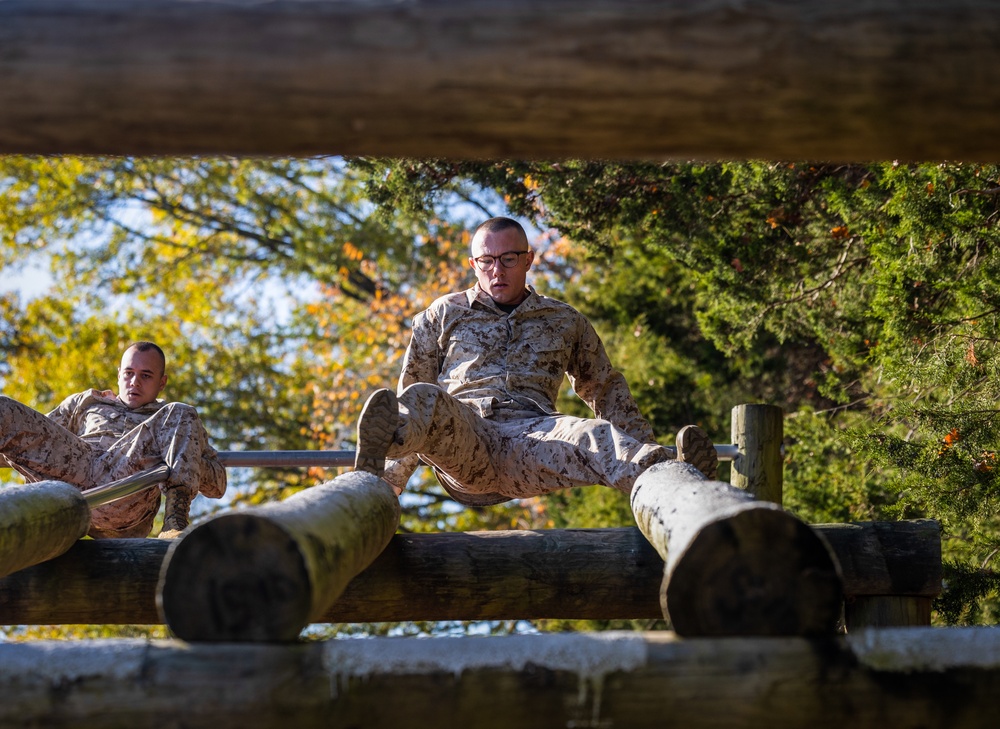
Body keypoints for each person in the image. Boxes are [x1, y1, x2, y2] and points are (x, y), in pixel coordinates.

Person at [354, 216, 717, 505]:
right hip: (466, 440)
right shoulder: (443, 313)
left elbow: (606, 391)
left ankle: (674, 474)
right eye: (487, 261)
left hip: (532, 441)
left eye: (508, 259)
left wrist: (645, 443)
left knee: (592, 435)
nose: (497, 270)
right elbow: (413, 397)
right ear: (473, 264)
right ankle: (376, 466)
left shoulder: (564, 320)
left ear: (528, 259)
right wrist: (387, 485)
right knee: (424, 398)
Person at [0, 341, 227, 539]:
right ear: (119, 374)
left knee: (180, 410)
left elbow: (217, 483)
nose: (135, 382)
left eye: (146, 376)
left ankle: (175, 519)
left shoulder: (172, 420)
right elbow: (30, 437)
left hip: (126, 488)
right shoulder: (86, 402)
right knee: (4, 408)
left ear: (162, 382)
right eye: (129, 373)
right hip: (76, 472)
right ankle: (36, 517)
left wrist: (169, 455)